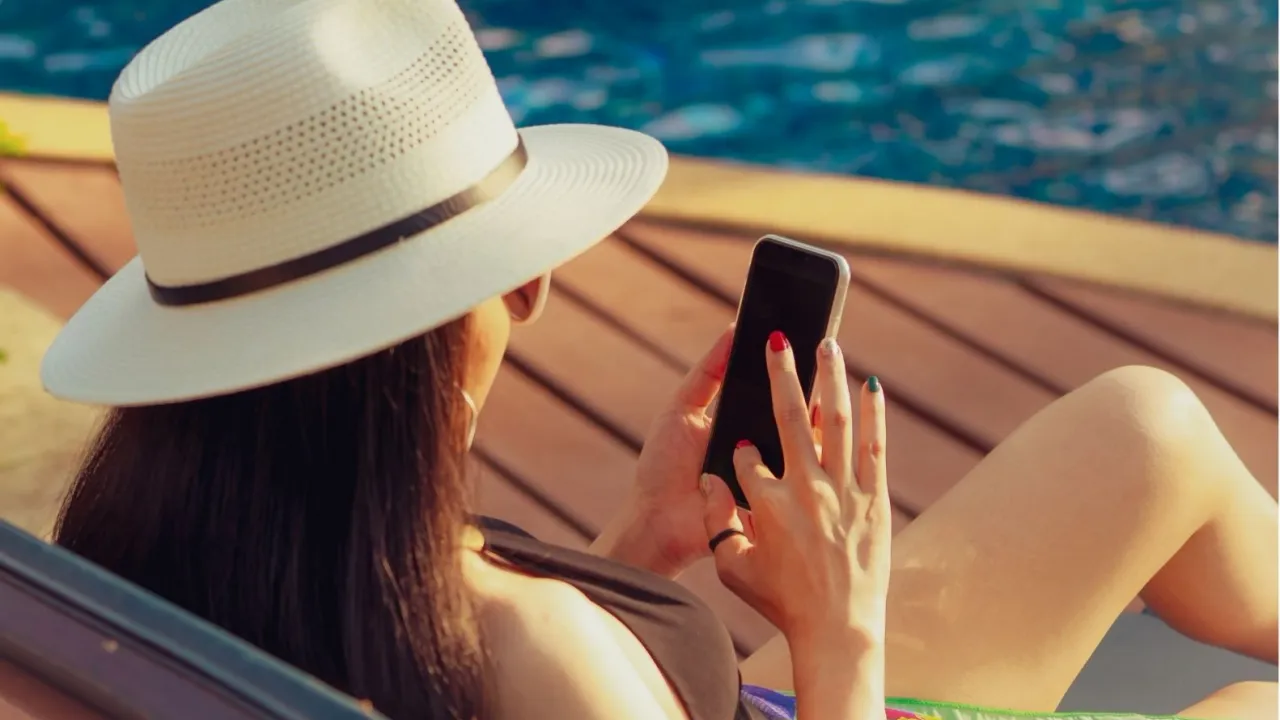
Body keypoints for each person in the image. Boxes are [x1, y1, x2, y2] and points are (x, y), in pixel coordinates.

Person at [42, 0, 1276, 718]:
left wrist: (634, 547)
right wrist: (838, 632)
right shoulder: (551, 659)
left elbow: (447, 669)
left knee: (1142, 431)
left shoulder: (130, 566)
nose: (532, 291)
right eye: (509, 265)